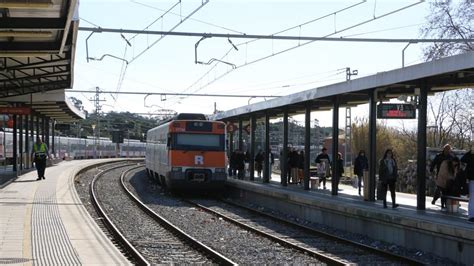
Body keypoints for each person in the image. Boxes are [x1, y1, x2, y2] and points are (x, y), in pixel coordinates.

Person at [461, 150, 474, 222]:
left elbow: (463, 159)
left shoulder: (470, 156)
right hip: (472, 179)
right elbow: (462, 159)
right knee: (472, 198)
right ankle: (471, 215)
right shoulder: (471, 156)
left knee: (472, 198)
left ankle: (471, 215)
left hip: (472, 178)